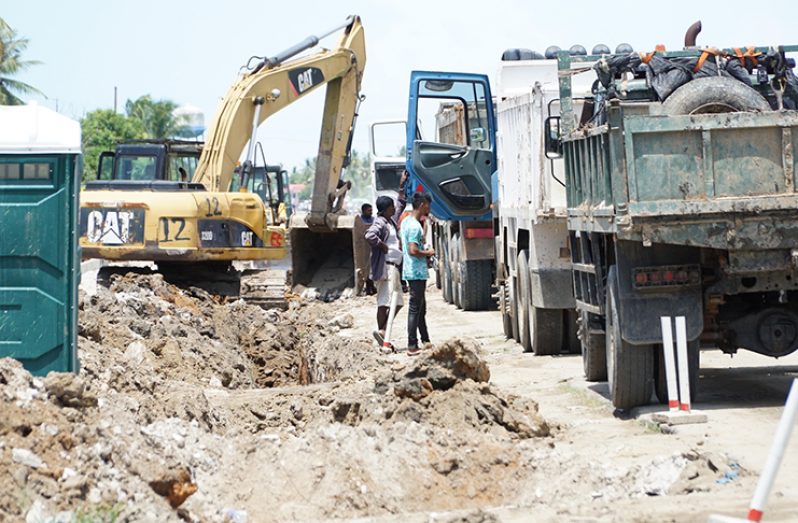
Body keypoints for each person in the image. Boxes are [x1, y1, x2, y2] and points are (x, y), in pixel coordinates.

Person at [364, 173, 408, 350]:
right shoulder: (380, 223)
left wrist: (401, 186)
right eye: (391, 207)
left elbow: (401, 205)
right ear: (384, 209)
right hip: (386, 267)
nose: (393, 209)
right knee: (385, 301)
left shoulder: (390, 220)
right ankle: (382, 332)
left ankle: (383, 332)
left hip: (394, 268)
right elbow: (369, 235)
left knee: (397, 302)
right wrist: (381, 245)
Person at [400, 192, 435, 355]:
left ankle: (425, 339)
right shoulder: (414, 226)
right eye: (428, 205)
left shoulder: (406, 222)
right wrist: (428, 252)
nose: (429, 208)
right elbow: (413, 250)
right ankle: (412, 345)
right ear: (422, 205)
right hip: (416, 272)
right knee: (415, 308)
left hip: (411, 270)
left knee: (421, 307)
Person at [360, 203, 376, 294]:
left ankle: (371, 286)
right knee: (365, 267)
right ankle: (368, 286)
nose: (371, 212)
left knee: (371, 268)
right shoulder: (360, 221)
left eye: (371, 210)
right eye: (369, 210)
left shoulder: (373, 220)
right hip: (363, 248)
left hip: (371, 247)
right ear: (363, 211)